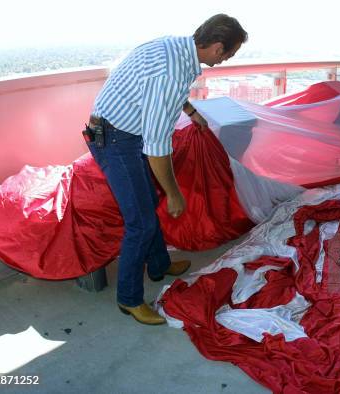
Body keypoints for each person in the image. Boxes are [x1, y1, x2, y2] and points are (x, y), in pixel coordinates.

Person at [84, 14, 248, 324]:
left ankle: (158, 264)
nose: (227, 59)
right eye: (229, 53)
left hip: (120, 132)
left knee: (147, 203)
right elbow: (157, 145)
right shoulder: (171, 72)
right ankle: (129, 300)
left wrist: (190, 110)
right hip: (115, 140)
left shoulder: (176, 49)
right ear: (216, 47)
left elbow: (164, 93)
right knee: (141, 223)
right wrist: (175, 194)